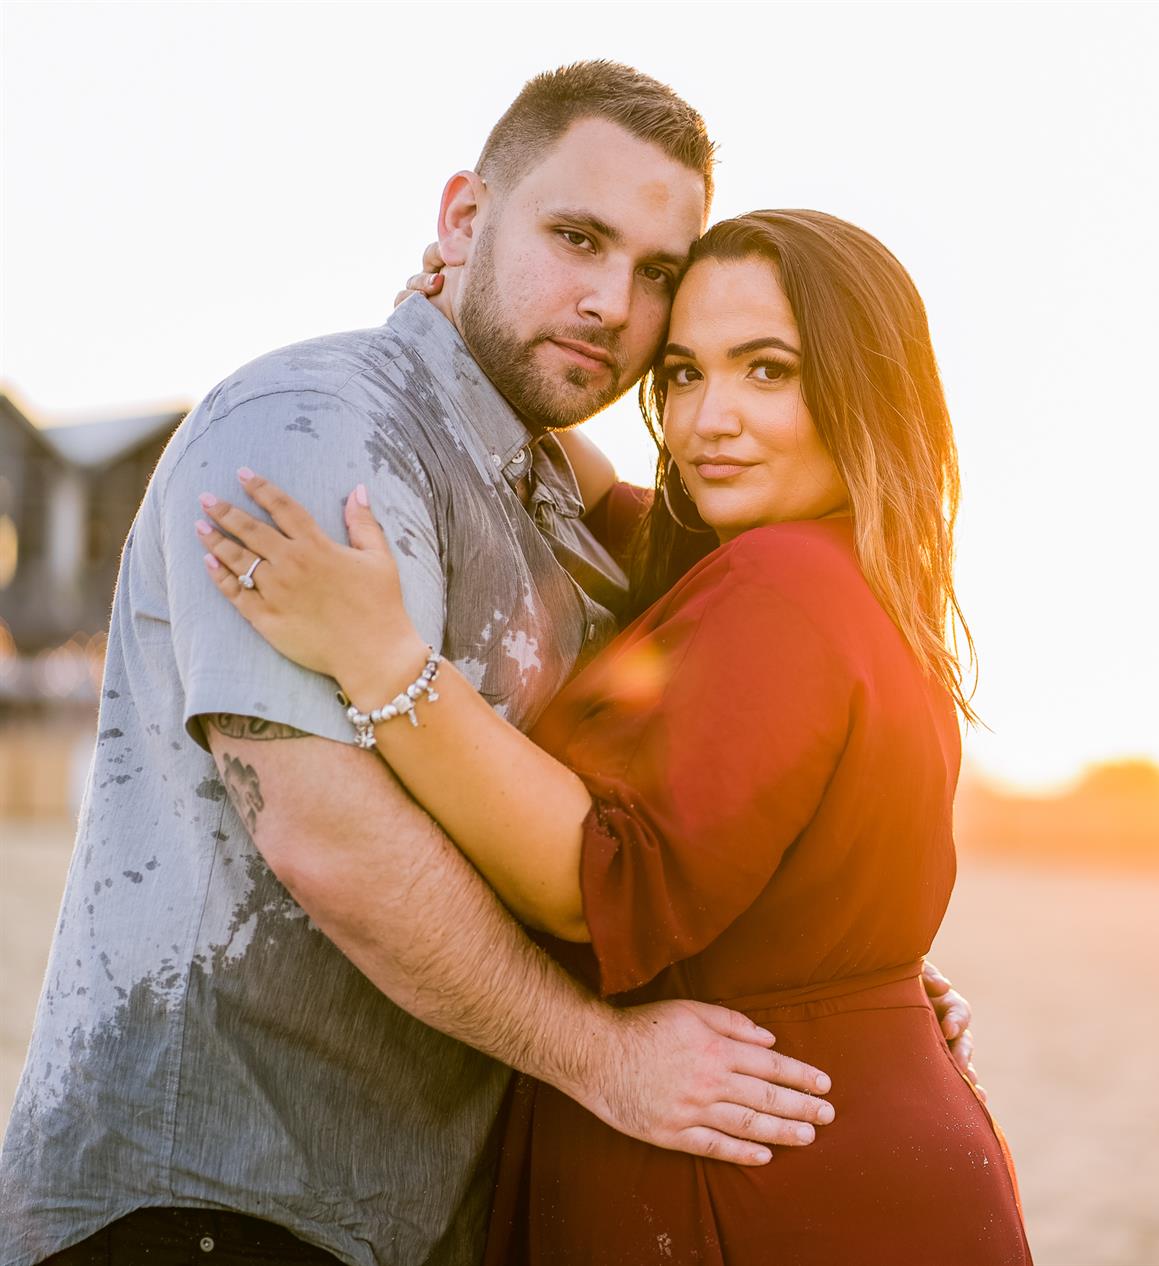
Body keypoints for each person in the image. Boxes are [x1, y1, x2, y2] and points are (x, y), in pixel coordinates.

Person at [1, 63, 973, 1266]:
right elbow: (326, 837)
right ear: (464, 217)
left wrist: (838, 962)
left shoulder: (563, 496)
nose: (611, 304)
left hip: (408, 1213)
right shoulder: (314, 429)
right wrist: (603, 1057)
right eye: (577, 239)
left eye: (655, 275)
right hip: (222, 1196)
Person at [196, 208, 1032, 1264]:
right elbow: (593, 493)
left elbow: (599, 884)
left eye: (767, 370)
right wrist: (456, 338)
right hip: (845, 1132)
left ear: (864, 385)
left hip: (747, 1163)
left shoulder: (777, 587)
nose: (707, 421)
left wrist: (380, 660)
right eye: (682, 374)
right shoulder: (835, 572)